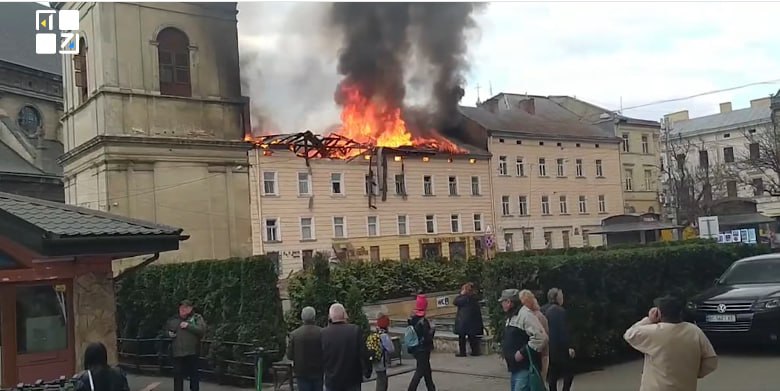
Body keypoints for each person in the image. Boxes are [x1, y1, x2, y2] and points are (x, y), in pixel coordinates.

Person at [624, 295, 718, 391]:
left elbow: (629, 334)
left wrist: (649, 320)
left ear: (659, 313)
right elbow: (711, 361)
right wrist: (693, 373)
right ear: (680, 312)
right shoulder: (694, 331)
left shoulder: (653, 332)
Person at [500, 289, 547, 391]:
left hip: (525, 368)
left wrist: (522, 352)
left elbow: (540, 337)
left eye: (503, 302)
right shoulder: (511, 317)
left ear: (509, 302)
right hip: (515, 368)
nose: (502, 305)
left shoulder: (525, 315)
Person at [321, 303, 369, 391]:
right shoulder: (354, 330)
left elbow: (320, 357)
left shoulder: (323, 333)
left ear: (330, 317)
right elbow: (363, 354)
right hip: (352, 379)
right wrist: (367, 371)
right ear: (344, 315)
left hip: (332, 381)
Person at [165, 300, 207, 391]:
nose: (183, 310)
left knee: (194, 375)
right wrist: (169, 334)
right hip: (177, 352)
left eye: (186, 307)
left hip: (192, 351)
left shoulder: (196, 318)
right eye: (181, 307)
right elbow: (166, 330)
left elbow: (201, 330)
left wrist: (188, 326)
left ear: (191, 309)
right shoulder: (173, 319)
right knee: (178, 375)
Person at [541, 288, 575, 391]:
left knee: (552, 375)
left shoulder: (543, 310)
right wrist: (568, 347)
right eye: (561, 296)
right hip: (559, 349)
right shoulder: (559, 311)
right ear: (555, 297)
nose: (562, 298)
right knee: (568, 374)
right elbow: (562, 331)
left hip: (547, 348)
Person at [288, 306, 324, 391]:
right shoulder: (322, 332)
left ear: (302, 317)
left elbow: (289, 355)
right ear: (314, 317)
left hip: (301, 372)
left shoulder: (295, 334)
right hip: (318, 370)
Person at [407, 294, 436, 391]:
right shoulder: (423, 321)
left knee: (427, 370)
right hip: (423, 349)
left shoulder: (412, 319)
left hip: (416, 348)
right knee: (420, 371)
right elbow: (427, 338)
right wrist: (432, 329)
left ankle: (431, 388)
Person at [519, 290, 549, 381]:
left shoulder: (534, 316)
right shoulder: (537, 315)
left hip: (539, 355)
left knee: (537, 382)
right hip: (542, 354)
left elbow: (543, 336)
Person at [453, 282, 484, 357]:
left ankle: (462, 353)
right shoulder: (474, 298)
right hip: (473, 322)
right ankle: (475, 352)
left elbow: (455, 302)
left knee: (462, 337)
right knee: (472, 337)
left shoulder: (463, 298)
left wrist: (461, 294)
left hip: (463, 321)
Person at [372, 314, 395, 391]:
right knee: (382, 382)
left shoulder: (375, 334)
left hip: (376, 360)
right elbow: (391, 349)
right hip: (382, 362)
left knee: (380, 379)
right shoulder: (384, 335)